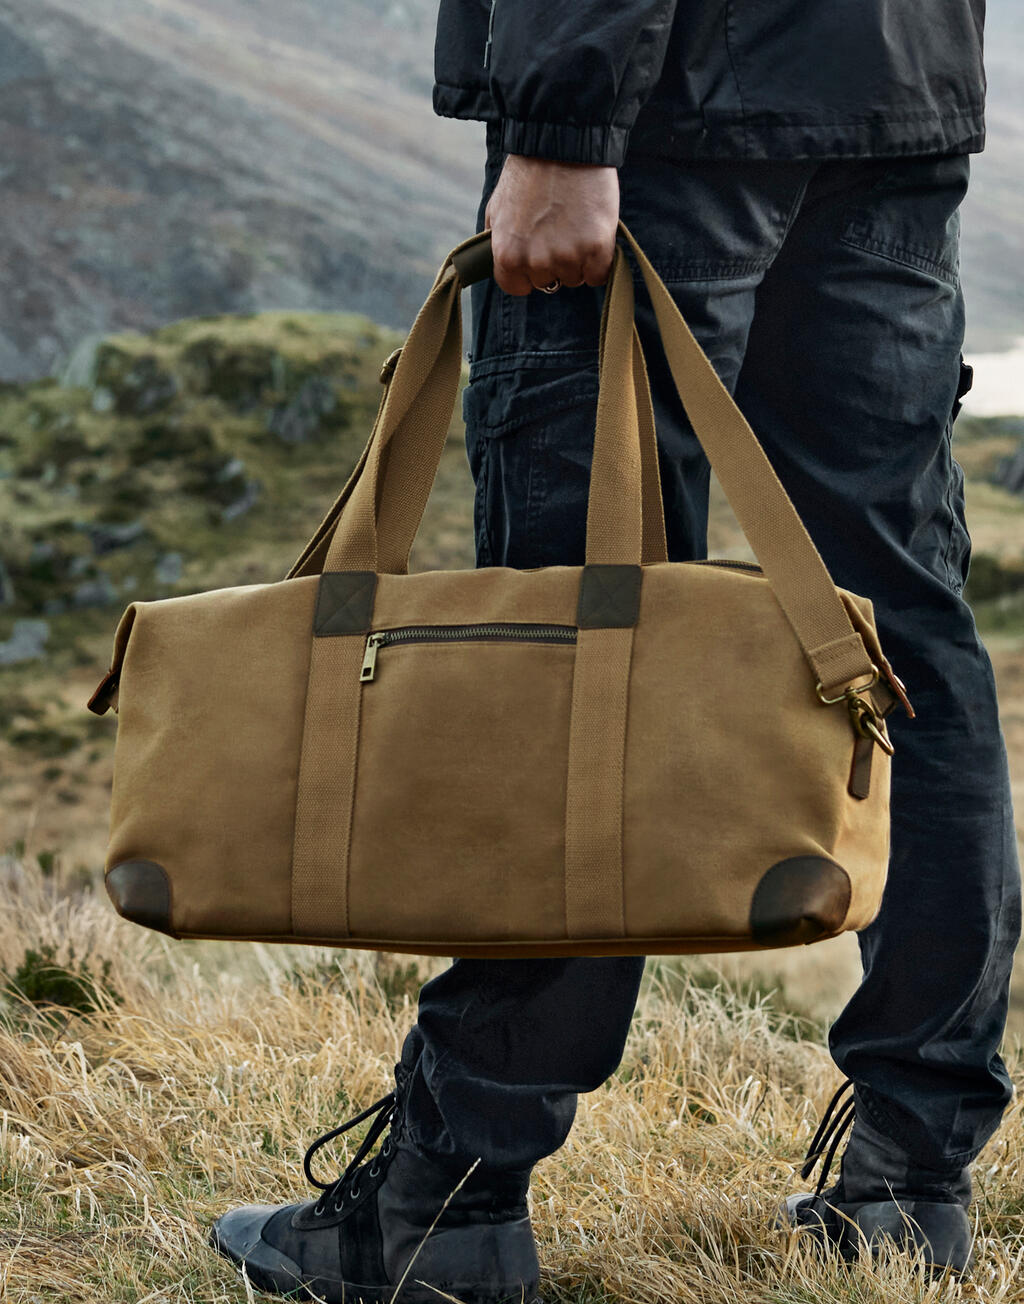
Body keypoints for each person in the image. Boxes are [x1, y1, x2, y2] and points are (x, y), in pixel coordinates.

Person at [209, 2, 1022, 1299]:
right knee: (901, 637)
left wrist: (564, 124)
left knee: (574, 648)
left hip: (663, 112)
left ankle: (446, 1202)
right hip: (895, 93)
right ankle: (911, 1182)